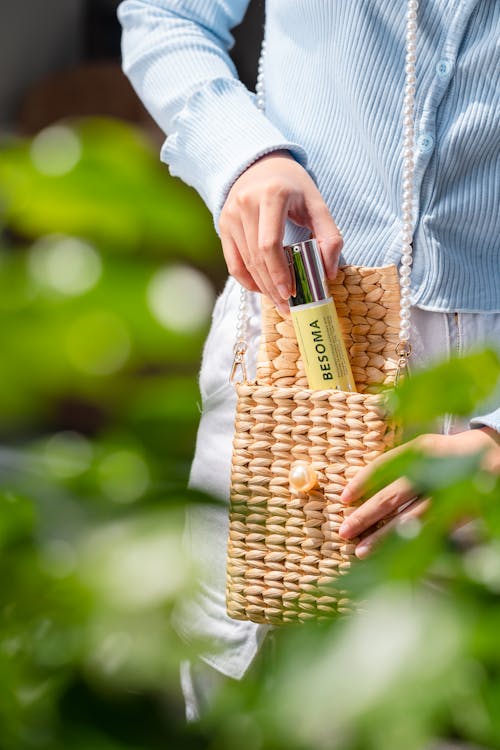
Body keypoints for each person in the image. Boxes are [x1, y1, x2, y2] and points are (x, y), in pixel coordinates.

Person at [118, 0, 500, 718]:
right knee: (236, 680)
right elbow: (165, 14)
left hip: (487, 382)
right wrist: (243, 156)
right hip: (294, 318)